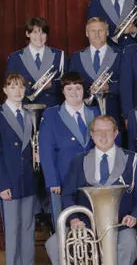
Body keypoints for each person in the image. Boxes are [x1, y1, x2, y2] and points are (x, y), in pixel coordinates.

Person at [47, 115, 137, 265]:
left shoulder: (132, 159)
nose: (103, 136)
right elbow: (67, 194)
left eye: (107, 131)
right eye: (98, 132)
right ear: (92, 136)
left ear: (116, 133)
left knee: (127, 244)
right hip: (85, 223)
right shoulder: (80, 160)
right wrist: (74, 218)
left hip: (120, 224)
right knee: (53, 243)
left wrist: (134, 215)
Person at [0, 73, 40, 265]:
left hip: (27, 180)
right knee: (13, 228)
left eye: (21, 87)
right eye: (13, 87)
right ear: (5, 90)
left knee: (28, 227)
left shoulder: (29, 115)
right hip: (9, 181)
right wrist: (1, 184)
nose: (18, 91)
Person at [38, 72, 100, 228]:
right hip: (63, 178)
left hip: (93, 179)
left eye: (78, 88)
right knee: (64, 224)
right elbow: (46, 150)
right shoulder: (51, 115)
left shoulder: (95, 112)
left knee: (91, 222)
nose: (74, 92)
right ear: (63, 91)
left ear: (84, 90)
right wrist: (52, 180)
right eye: (69, 88)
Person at [68, 17, 123, 122]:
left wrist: (109, 87)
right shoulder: (77, 56)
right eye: (93, 31)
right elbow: (71, 85)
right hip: (84, 112)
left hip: (112, 112)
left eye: (100, 30)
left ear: (107, 32)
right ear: (86, 33)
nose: (96, 34)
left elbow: (126, 84)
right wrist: (88, 90)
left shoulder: (120, 55)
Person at [5, 17, 65, 108]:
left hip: (52, 107)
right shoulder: (15, 58)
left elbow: (67, 83)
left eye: (43, 33)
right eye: (35, 32)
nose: (39, 37)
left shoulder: (59, 55)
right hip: (25, 107)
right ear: (27, 34)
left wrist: (51, 85)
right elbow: (10, 86)